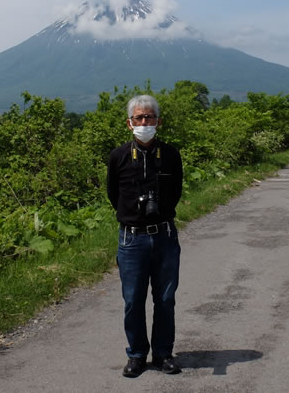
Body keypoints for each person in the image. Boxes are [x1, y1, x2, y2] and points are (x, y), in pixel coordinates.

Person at [107, 94, 183, 378]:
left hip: (164, 236)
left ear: (158, 121)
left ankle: (163, 354)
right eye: (138, 118)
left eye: (149, 117)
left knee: (165, 299)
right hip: (131, 239)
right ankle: (137, 355)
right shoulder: (119, 156)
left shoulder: (171, 155)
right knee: (133, 299)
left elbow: (175, 192)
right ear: (129, 123)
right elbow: (113, 194)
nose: (144, 122)